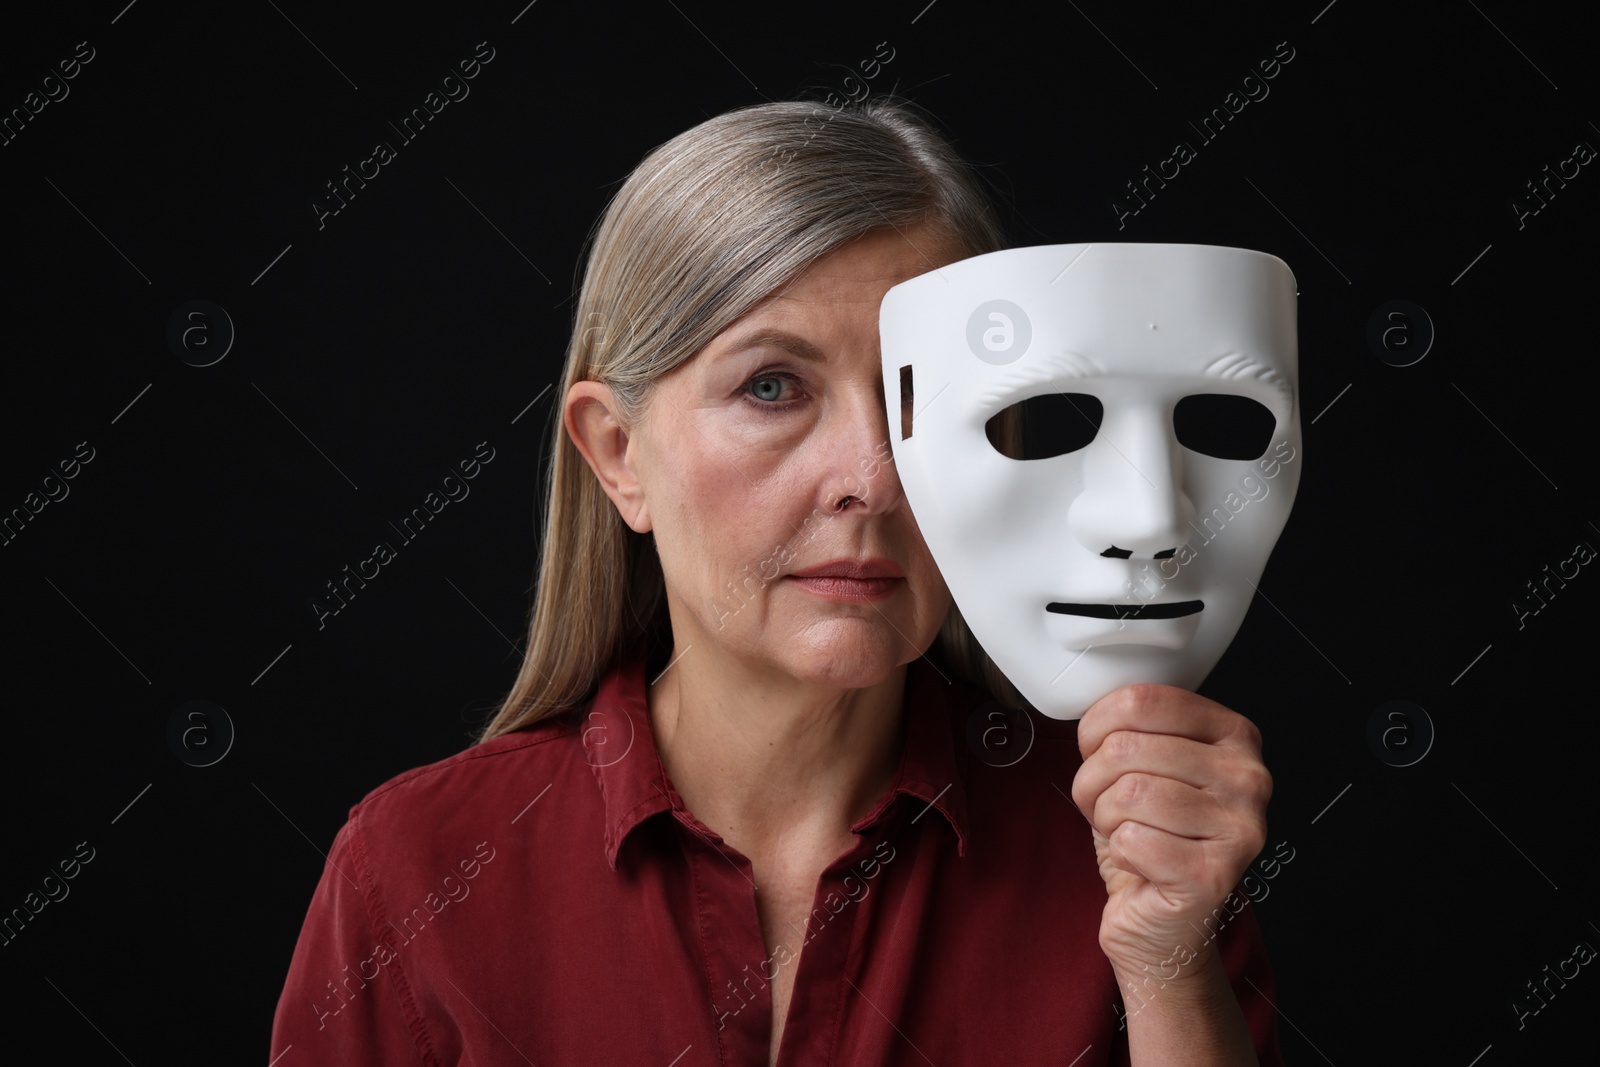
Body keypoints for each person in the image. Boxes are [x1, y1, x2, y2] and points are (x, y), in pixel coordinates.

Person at [270, 96, 1286, 1066]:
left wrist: (1167, 962)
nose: (871, 478)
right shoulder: (416, 872)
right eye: (771, 386)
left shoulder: (1133, 845)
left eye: (918, 400)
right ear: (618, 451)